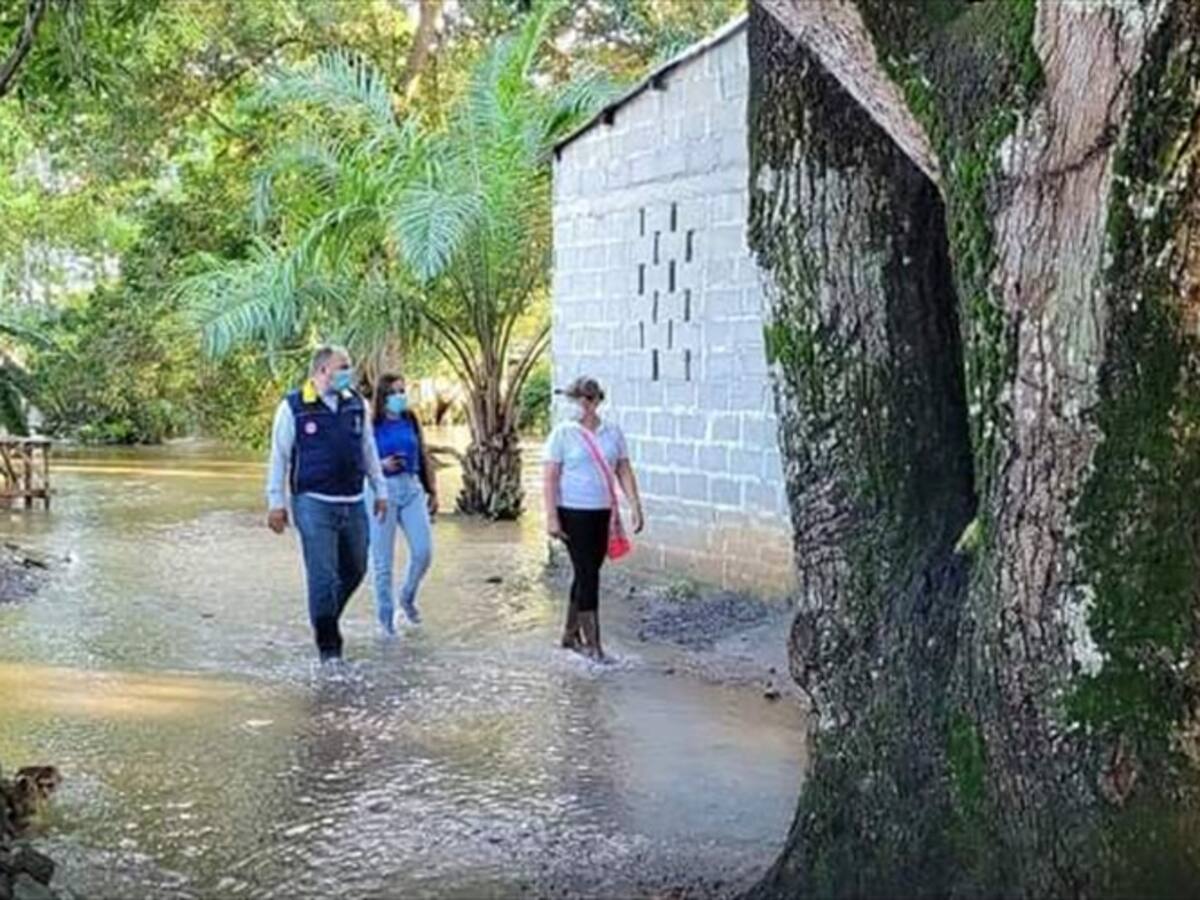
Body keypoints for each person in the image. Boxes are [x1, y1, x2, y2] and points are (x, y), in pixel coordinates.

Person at [266, 346, 388, 662]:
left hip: (353, 499)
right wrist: (275, 502)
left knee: (357, 567)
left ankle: (324, 617)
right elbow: (279, 456)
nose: (349, 372)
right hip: (312, 502)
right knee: (323, 576)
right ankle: (329, 651)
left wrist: (381, 489)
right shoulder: (293, 407)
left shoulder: (356, 404)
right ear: (323, 371)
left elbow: (368, 449)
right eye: (343, 367)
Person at [542, 376, 644, 660]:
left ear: (598, 400)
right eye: (578, 399)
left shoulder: (612, 433)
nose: (583, 405)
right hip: (572, 512)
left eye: (588, 399)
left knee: (588, 572)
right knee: (588, 574)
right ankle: (593, 644)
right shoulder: (563, 434)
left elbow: (623, 469)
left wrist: (634, 505)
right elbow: (550, 477)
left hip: (602, 513)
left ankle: (569, 634)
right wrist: (552, 517)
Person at [367, 373, 438, 635]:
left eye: (403, 390)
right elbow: (360, 458)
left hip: (411, 488)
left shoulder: (410, 419)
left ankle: (407, 597)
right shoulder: (370, 423)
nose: (401, 396)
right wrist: (380, 465)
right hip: (380, 490)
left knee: (423, 551)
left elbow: (423, 453)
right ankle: (386, 624)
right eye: (395, 392)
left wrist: (432, 489)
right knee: (382, 562)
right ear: (383, 397)